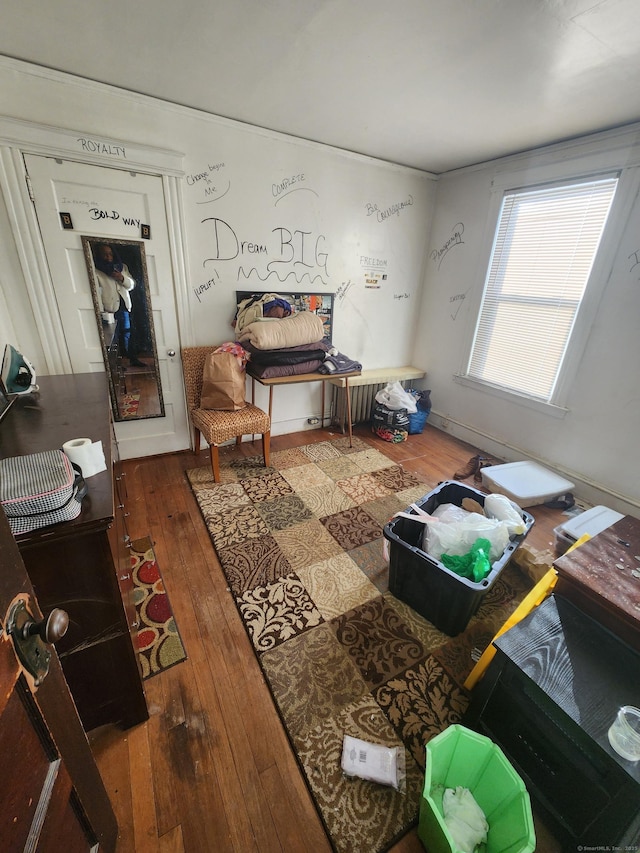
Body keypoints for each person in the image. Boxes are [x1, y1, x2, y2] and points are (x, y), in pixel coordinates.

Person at [93, 243, 145, 366]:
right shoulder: (96, 270)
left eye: (110, 253)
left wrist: (122, 278)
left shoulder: (122, 267)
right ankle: (117, 365)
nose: (108, 257)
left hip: (124, 306)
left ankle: (131, 359)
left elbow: (132, 285)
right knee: (112, 340)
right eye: (104, 254)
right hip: (108, 310)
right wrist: (101, 312)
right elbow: (96, 293)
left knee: (127, 333)